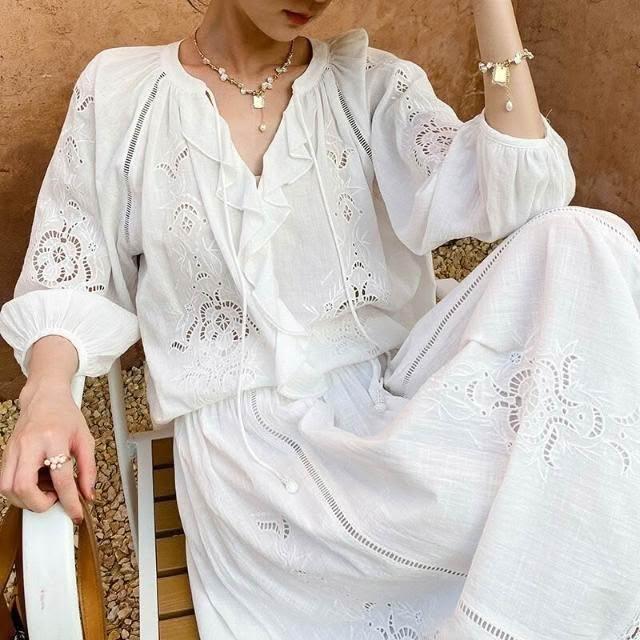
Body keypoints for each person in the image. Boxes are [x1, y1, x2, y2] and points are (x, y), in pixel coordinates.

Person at [1, 0, 639, 638]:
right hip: (260, 466)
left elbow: (524, 196)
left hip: (398, 399)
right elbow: (71, 262)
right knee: (539, 507)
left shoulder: (374, 86)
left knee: (588, 239)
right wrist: (48, 389)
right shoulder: (122, 92)